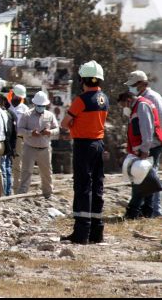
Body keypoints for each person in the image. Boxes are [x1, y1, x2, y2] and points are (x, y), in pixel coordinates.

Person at [61, 61, 109, 245]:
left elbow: (65, 123)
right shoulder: (104, 98)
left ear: (82, 80)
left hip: (84, 146)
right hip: (99, 144)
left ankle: (81, 233)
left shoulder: (81, 100)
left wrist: (74, 126)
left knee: (82, 187)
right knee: (97, 186)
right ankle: (97, 232)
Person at [117, 91, 162, 220]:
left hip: (149, 148)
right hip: (146, 147)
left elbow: (147, 129)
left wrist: (145, 150)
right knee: (147, 180)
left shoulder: (142, 106)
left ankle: (133, 212)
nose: (124, 108)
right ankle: (147, 211)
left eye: (123, 105)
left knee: (139, 179)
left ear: (128, 100)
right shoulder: (139, 106)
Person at [16, 91, 59, 198]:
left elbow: (57, 129)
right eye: (39, 105)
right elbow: (19, 130)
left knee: (46, 172)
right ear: (34, 104)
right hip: (29, 147)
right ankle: (22, 194)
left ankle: (48, 193)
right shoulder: (27, 115)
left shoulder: (50, 115)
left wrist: (50, 132)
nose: (41, 107)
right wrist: (31, 133)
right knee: (26, 171)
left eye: (42, 106)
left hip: (45, 148)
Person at [0, 94, 18, 196]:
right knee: (7, 168)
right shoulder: (11, 114)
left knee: (3, 169)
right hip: (9, 145)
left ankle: (4, 191)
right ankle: (7, 191)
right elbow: (15, 133)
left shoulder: (4, 114)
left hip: (4, 144)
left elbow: (12, 132)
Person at [10, 84, 28, 193]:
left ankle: (17, 189)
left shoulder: (25, 109)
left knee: (17, 164)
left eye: (20, 97)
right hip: (7, 138)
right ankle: (5, 189)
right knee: (5, 163)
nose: (18, 98)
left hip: (18, 139)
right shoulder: (6, 106)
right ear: (13, 94)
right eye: (17, 96)